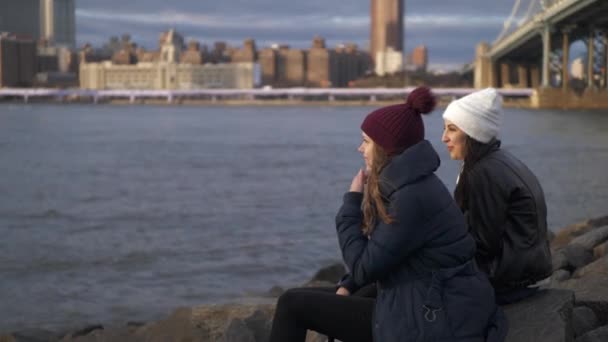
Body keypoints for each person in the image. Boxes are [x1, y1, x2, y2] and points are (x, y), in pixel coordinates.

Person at [269, 87, 506, 342]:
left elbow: (363, 267)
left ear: (385, 149)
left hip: (432, 314)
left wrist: (351, 204)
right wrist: (348, 284)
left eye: (366, 141)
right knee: (350, 293)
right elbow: (384, 254)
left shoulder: (410, 198)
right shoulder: (415, 185)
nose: (361, 148)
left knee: (292, 304)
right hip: (432, 294)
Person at [441, 88, 552, 305]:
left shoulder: (482, 173)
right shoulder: (498, 160)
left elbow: (483, 244)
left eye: (452, 129)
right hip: (530, 271)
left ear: (473, 133)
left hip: (511, 280)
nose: (444, 138)